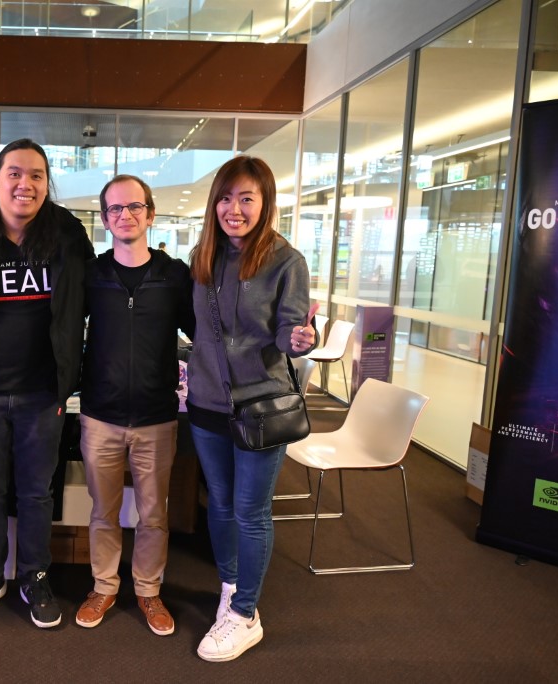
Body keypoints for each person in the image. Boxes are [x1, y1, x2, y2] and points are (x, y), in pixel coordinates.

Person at [0, 138, 94, 629]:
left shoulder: (68, 237)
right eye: (14, 173)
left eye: (36, 175)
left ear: (47, 185)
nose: (25, 184)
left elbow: (91, 303)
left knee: (36, 493)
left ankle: (35, 576)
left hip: (42, 394)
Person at [185, 156, 316, 662]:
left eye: (246, 198)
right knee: (219, 503)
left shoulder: (286, 261)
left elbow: (288, 331)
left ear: (265, 203)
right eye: (225, 198)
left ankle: (245, 614)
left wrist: (300, 339)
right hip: (206, 402)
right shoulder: (203, 256)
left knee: (250, 510)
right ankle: (230, 587)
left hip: (261, 405)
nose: (234, 209)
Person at [75, 175, 194, 636]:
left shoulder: (174, 275)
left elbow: (202, 332)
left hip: (156, 417)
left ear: (150, 214)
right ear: (105, 220)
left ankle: (148, 590)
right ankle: (103, 586)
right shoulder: (92, 275)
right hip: (100, 415)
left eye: (134, 207)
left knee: (153, 514)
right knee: (103, 511)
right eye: (115, 209)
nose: (125, 215)